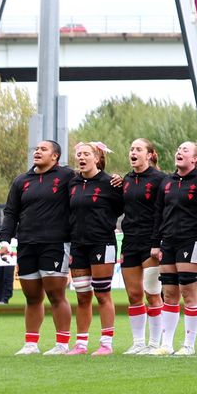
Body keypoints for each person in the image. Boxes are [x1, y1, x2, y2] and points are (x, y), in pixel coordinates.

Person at [0, 139, 78, 354]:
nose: (37, 151)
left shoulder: (67, 176)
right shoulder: (21, 181)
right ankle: (31, 344)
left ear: (55, 156)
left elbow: (91, 180)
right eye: (36, 149)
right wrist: (5, 240)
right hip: (26, 244)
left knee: (55, 294)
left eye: (43, 149)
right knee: (32, 296)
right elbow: (10, 213)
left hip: (55, 243)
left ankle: (62, 344)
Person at [153, 141, 197, 356]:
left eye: (185, 150)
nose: (179, 152)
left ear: (195, 159)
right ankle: (166, 344)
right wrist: (155, 242)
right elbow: (159, 213)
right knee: (169, 294)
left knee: (189, 293)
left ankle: (189, 345)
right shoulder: (167, 181)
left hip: (191, 240)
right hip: (168, 241)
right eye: (178, 149)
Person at [67, 141, 123, 354]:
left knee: (102, 294)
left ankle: (106, 343)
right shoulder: (72, 183)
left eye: (86, 154)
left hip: (102, 243)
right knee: (82, 295)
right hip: (78, 245)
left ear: (97, 158)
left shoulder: (110, 183)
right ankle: (81, 343)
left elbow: (120, 208)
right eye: (79, 154)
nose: (81, 157)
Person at [116, 139, 167, 353]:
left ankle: (155, 343)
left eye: (138, 149)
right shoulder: (126, 180)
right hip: (130, 242)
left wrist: (158, 242)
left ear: (150, 154)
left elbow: (162, 213)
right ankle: (138, 343)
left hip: (150, 242)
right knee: (134, 295)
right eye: (131, 149)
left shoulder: (160, 179)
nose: (133, 152)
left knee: (152, 294)